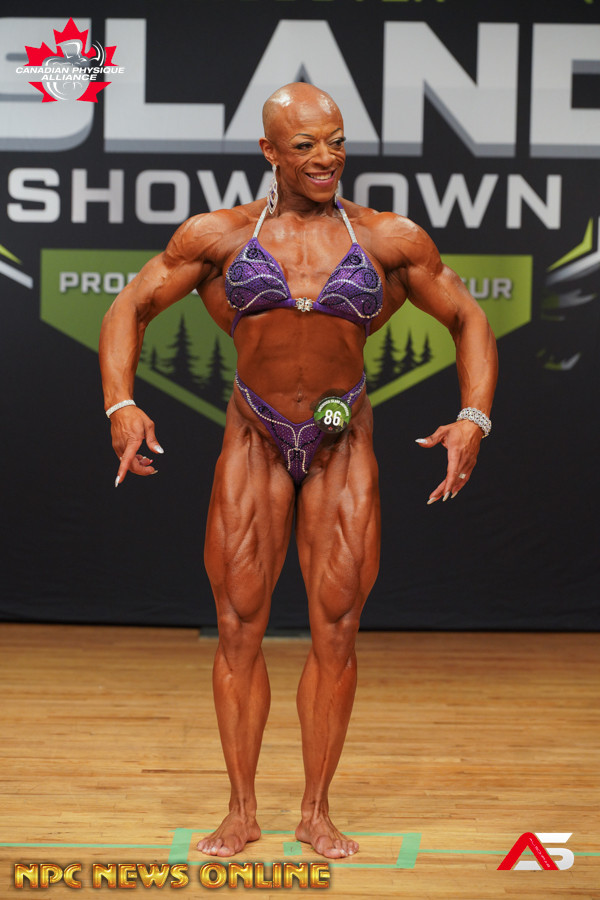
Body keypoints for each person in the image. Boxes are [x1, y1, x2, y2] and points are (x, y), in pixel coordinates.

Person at [99, 82, 497, 859]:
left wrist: (473, 417)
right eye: (307, 144)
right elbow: (131, 305)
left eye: (336, 141)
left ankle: (316, 811)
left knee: (337, 627)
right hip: (255, 434)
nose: (326, 157)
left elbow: (467, 316)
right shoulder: (219, 235)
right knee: (238, 625)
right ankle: (241, 810)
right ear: (270, 152)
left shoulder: (388, 238)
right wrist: (121, 404)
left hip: (342, 439)